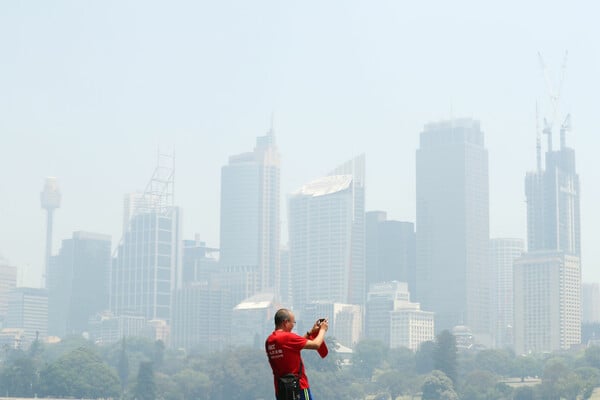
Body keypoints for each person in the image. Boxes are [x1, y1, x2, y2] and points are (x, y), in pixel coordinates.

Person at [265, 308, 329, 400]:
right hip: (299, 387)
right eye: (293, 322)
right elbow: (316, 344)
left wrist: (311, 332)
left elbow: (294, 346)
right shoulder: (287, 337)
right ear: (285, 322)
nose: (293, 326)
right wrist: (323, 330)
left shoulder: (269, 341)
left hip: (281, 390)